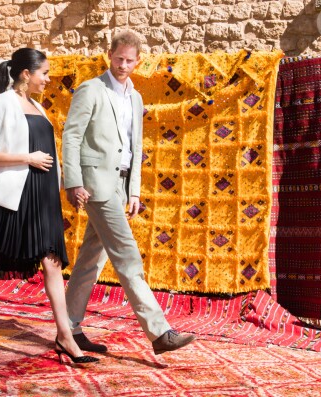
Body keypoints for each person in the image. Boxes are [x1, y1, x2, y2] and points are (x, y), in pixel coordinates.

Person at [0, 48, 98, 364]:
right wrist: (27, 158)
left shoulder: (39, 107)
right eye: (44, 73)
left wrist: (69, 187)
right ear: (26, 73)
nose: (48, 79)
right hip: (7, 196)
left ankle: (64, 335)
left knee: (52, 263)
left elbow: (50, 152)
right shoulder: (0, 102)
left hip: (42, 198)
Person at [62, 30, 196, 355]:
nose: (123, 65)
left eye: (129, 60)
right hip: (95, 184)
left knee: (90, 260)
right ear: (110, 54)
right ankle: (159, 332)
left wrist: (133, 191)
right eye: (119, 58)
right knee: (128, 256)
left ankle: (67, 328)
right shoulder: (91, 89)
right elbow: (71, 136)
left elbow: (136, 146)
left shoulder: (135, 98)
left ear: (138, 61)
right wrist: (73, 181)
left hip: (119, 187)